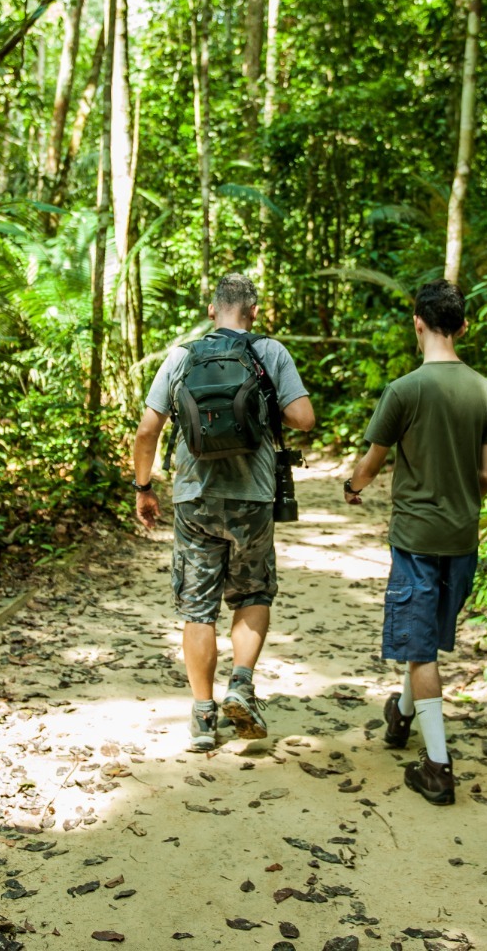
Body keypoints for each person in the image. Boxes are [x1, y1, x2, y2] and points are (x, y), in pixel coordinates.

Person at [133, 273, 315, 752]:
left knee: (198, 607)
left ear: (212, 311)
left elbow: (147, 431)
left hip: (195, 497)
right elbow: (304, 419)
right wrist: (270, 401)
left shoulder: (181, 356)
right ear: (252, 312)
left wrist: (144, 487)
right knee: (254, 590)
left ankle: (202, 717)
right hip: (252, 498)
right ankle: (240, 684)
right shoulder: (269, 352)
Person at [343, 279, 487, 804]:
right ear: (464, 326)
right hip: (461, 536)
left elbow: (371, 464)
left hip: (415, 537)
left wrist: (352, 488)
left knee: (418, 648)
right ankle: (401, 715)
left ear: (418, 323)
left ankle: (437, 766)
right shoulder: (485, 390)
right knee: (427, 640)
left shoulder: (404, 390)